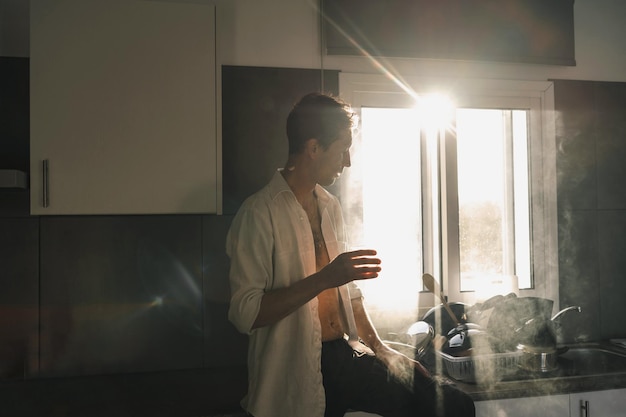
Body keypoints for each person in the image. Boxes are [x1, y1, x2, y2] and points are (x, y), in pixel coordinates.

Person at [226, 92, 475, 417]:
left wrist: (381, 348)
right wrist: (326, 277)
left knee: (453, 406)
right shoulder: (258, 213)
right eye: (343, 148)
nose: (348, 161)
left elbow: (348, 292)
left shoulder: (330, 207)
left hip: (345, 355)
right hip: (294, 371)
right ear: (314, 148)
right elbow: (246, 314)